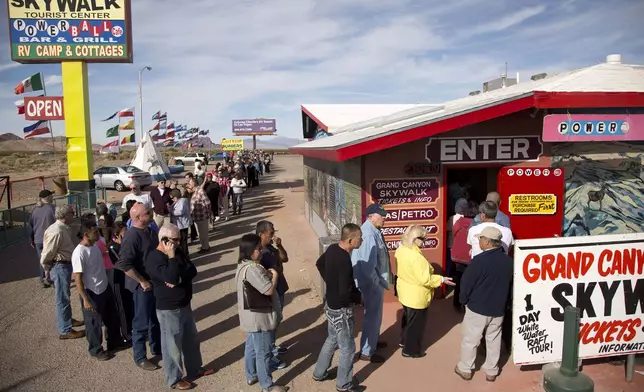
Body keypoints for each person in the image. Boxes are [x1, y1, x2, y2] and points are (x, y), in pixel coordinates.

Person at [145, 224, 214, 390]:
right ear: (164, 240)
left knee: (191, 340)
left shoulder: (178, 252)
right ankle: (174, 379)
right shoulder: (154, 258)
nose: (179, 242)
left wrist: (179, 278)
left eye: (180, 239)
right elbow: (171, 277)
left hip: (184, 304)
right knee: (172, 346)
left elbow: (192, 270)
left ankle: (195, 368)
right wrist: (171, 259)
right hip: (169, 309)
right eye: (175, 240)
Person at [455, 227, 513, 382]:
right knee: (494, 339)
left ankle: (465, 368)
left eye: (480, 238)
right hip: (498, 308)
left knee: (471, 339)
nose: (479, 241)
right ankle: (491, 370)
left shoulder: (478, 261)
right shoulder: (508, 262)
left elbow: (466, 284)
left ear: (487, 241)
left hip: (477, 308)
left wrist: (462, 300)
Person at [313, 224, 364, 392]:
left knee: (332, 338)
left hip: (330, 305)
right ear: (350, 240)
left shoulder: (332, 249)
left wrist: (330, 282)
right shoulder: (344, 260)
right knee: (348, 348)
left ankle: (319, 373)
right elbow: (345, 292)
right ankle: (344, 384)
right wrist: (355, 301)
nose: (361, 240)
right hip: (342, 310)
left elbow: (319, 263)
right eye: (359, 238)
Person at [235, 234, 288, 392]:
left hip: (251, 316)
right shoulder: (252, 269)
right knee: (263, 353)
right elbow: (268, 289)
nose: (261, 251)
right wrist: (275, 275)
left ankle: (251, 374)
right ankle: (267, 385)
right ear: (251, 250)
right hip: (260, 317)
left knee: (252, 346)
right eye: (258, 249)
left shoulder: (243, 265)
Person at [395, 225, 455, 358]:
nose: (424, 242)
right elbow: (425, 279)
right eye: (423, 239)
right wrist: (441, 279)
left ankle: (403, 341)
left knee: (408, 320)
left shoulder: (401, 250)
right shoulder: (416, 257)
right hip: (416, 295)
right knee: (416, 325)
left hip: (405, 291)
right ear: (415, 239)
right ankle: (410, 350)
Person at [116, 203, 162, 371]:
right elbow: (124, 264)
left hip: (154, 283)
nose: (150, 214)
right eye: (147, 213)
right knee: (141, 322)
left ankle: (157, 348)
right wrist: (142, 281)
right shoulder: (131, 237)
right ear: (137, 218)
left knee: (155, 319)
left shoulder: (150, 231)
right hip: (141, 287)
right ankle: (140, 357)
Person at [72, 221, 126, 361]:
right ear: (86, 234)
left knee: (112, 317)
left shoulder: (95, 245)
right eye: (95, 232)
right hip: (92, 293)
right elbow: (77, 279)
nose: (97, 234)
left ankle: (115, 342)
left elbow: (104, 253)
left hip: (104, 287)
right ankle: (96, 350)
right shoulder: (79, 253)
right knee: (94, 324)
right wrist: (85, 299)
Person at [352, 203, 392, 363]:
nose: (384, 218)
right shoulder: (368, 235)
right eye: (381, 215)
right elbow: (369, 268)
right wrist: (378, 283)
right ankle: (367, 351)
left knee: (375, 315)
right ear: (370, 216)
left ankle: (372, 341)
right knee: (372, 316)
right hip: (371, 283)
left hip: (374, 281)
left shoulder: (373, 231)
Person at [40, 205, 85, 339]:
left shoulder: (63, 228)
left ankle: (68, 319)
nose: (74, 215)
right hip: (59, 266)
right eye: (72, 213)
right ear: (65, 215)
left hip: (65, 265)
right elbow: (47, 253)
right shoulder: (57, 231)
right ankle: (65, 329)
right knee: (62, 298)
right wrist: (46, 268)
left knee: (65, 295)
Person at [256, 221, 289, 369]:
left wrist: (279, 245)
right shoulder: (259, 253)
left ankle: (272, 347)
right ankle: (268, 357)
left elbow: (285, 258)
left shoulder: (270, 247)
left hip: (279, 289)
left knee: (276, 322)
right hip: (271, 292)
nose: (273, 235)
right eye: (270, 233)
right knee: (270, 324)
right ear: (261, 234)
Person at [108, 222, 133, 343]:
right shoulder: (113, 248)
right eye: (124, 233)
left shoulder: (125, 245)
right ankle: (125, 334)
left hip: (127, 281)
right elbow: (123, 263)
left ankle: (131, 328)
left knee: (129, 305)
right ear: (117, 235)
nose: (127, 235)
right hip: (118, 282)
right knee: (122, 308)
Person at [450, 201, 477, 310]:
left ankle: (457, 303)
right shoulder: (475, 225)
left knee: (459, 280)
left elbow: (454, 236)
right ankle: (467, 302)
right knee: (470, 281)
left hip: (457, 256)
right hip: (469, 257)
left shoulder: (458, 222)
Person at [29, 189, 56, 288]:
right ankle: (51, 279)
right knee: (52, 259)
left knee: (42, 259)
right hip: (49, 239)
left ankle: (43, 278)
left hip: (38, 240)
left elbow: (31, 226)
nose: (53, 197)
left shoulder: (34, 209)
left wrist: (32, 239)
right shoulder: (52, 208)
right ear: (48, 197)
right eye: (51, 195)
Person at [188, 177, 211, 253]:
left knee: (203, 234)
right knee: (200, 234)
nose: (188, 185)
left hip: (202, 217)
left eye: (189, 183)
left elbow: (207, 203)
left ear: (194, 183)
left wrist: (208, 214)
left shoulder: (200, 191)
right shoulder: (194, 191)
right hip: (196, 217)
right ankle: (204, 246)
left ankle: (206, 248)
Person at [169, 188, 191, 256]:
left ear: (176, 196)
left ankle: (185, 254)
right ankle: (183, 253)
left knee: (183, 240)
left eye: (172, 197)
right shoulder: (176, 201)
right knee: (180, 240)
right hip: (179, 225)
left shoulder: (182, 201)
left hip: (183, 225)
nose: (171, 199)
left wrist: (171, 211)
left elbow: (180, 211)